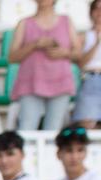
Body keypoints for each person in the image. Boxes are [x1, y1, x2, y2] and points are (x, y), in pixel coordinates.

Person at [10, 0, 79, 135]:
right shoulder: (24, 23)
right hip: (31, 82)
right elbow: (12, 57)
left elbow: (78, 53)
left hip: (60, 82)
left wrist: (64, 52)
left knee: (54, 129)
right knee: (27, 127)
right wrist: (34, 45)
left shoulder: (66, 21)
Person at [76, 3, 101, 130]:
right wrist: (97, 43)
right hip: (91, 77)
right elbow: (80, 62)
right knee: (87, 123)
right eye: (96, 8)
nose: (99, 12)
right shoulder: (83, 36)